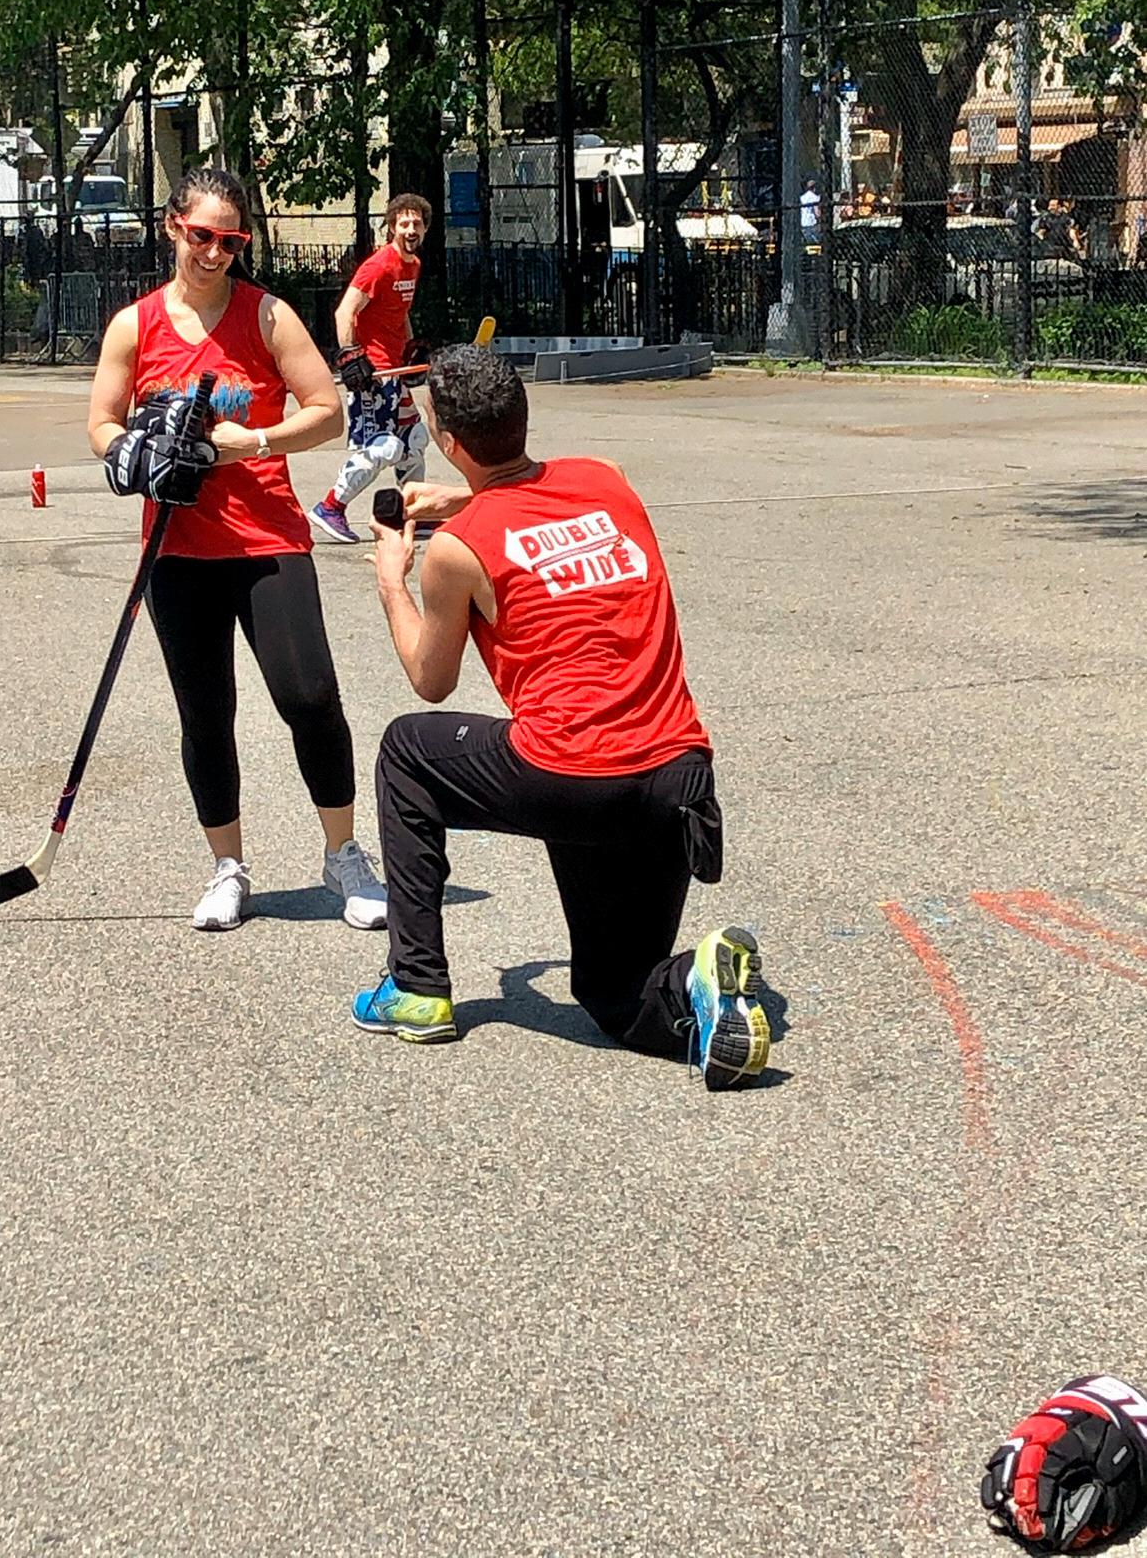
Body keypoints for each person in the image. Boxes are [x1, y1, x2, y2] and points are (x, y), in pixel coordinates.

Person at [353, 343, 772, 1089]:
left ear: (449, 445)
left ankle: (416, 986)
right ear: (523, 416)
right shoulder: (606, 478)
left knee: (407, 751)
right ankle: (698, 986)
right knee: (612, 996)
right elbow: (538, 497)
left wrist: (394, 578)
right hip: (675, 776)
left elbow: (431, 680)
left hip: (574, 774)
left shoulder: (457, 552)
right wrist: (468, 497)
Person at [86, 164, 388, 933]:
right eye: (201, 237)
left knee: (310, 697)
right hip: (178, 549)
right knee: (205, 713)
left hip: (265, 537)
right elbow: (101, 422)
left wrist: (244, 442)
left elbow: (327, 415)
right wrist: (128, 453)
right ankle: (229, 867)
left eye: (229, 240)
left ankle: (344, 855)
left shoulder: (267, 316)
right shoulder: (136, 325)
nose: (214, 253)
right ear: (172, 228)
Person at [309, 193, 430, 543]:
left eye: (417, 223)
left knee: (414, 439)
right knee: (383, 447)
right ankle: (331, 507)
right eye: (403, 223)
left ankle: (413, 514)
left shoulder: (413, 266)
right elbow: (344, 312)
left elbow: (399, 312)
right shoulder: (378, 266)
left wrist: (410, 348)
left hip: (395, 372)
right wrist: (351, 356)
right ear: (392, 227)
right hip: (373, 375)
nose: (411, 229)